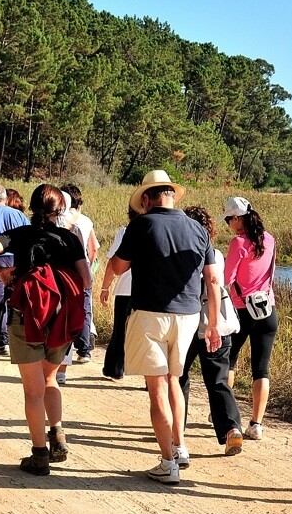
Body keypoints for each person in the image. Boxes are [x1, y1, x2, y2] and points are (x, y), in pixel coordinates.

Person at [107, 170, 220, 485]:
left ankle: (167, 463)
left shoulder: (141, 224)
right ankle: (180, 447)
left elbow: (118, 267)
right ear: (172, 195)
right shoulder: (198, 229)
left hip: (150, 314)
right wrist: (212, 324)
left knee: (156, 387)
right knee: (175, 380)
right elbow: (212, 279)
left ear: (146, 198)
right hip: (189, 316)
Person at [0, 185, 91, 476]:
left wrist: (2, 273)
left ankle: (39, 455)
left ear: (30, 206)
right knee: (50, 378)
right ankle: (57, 433)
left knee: (32, 390)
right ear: (60, 209)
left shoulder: (20, 234)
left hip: (26, 315)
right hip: (61, 318)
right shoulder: (69, 237)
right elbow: (87, 279)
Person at [179, 206, 243, 455]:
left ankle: (176, 429)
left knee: (179, 377)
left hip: (188, 322)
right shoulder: (216, 253)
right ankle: (232, 429)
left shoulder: (181, 253)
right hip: (217, 323)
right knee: (218, 380)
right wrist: (214, 324)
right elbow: (217, 283)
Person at [223, 196, 278, 441]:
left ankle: (226, 414)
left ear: (237, 219)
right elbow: (271, 274)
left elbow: (226, 278)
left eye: (228, 219)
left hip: (242, 310)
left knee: (229, 361)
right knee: (261, 369)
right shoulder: (270, 239)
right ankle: (256, 424)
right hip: (267, 310)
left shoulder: (238, 243)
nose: (228, 224)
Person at [52, 185, 99, 385]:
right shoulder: (83, 222)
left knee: (56, 321)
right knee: (77, 316)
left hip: (55, 278)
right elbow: (92, 250)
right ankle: (81, 351)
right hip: (77, 276)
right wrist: (88, 270)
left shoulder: (49, 223)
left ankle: (54, 368)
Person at [0, 185, 29, 355]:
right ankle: (16, 337)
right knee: (14, 299)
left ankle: (2, 340)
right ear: (6, 199)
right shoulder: (19, 215)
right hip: (16, 260)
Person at [98, 208, 137, 381]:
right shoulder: (161, 229)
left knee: (120, 329)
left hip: (125, 289)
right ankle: (148, 376)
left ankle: (115, 368)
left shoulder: (124, 232)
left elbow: (112, 263)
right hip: (149, 289)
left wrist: (105, 287)